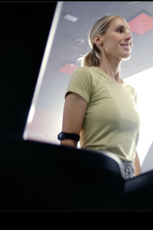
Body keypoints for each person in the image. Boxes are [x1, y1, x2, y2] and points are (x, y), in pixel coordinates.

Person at [58, 15, 141, 179]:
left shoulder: (131, 91)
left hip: (128, 178)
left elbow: (132, 149)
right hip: (95, 175)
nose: (129, 36)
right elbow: (69, 140)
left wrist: (139, 186)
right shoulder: (85, 76)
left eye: (129, 32)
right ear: (98, 40)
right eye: (119, 30)